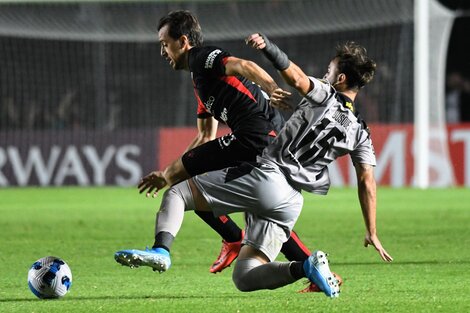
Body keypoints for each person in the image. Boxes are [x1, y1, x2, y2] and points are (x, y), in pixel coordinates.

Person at [116, 32, 393, 297]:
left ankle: (161, 250)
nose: (324, 75)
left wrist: (268, 48)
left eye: (329, 72)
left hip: (268, 175)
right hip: (292, 201)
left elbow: (295, 77)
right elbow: (366, 182)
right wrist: (372, 230)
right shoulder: (361, 133)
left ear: (340, 79)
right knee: (245, 277)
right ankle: (306, 267)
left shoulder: (325, 95)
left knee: (178, 192)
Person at [114, 10, 319, 289]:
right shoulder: (200, 83)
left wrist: (271, 88)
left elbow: (243, 65)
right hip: (268, 150)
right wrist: (170, 172)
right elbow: (204, 135)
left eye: (164, 43)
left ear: (183, 41)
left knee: (179, 186)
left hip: (257, 139)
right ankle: (309, 267)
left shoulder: (201, 58)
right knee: (255, 210)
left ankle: (170, 248)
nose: (162, 51)